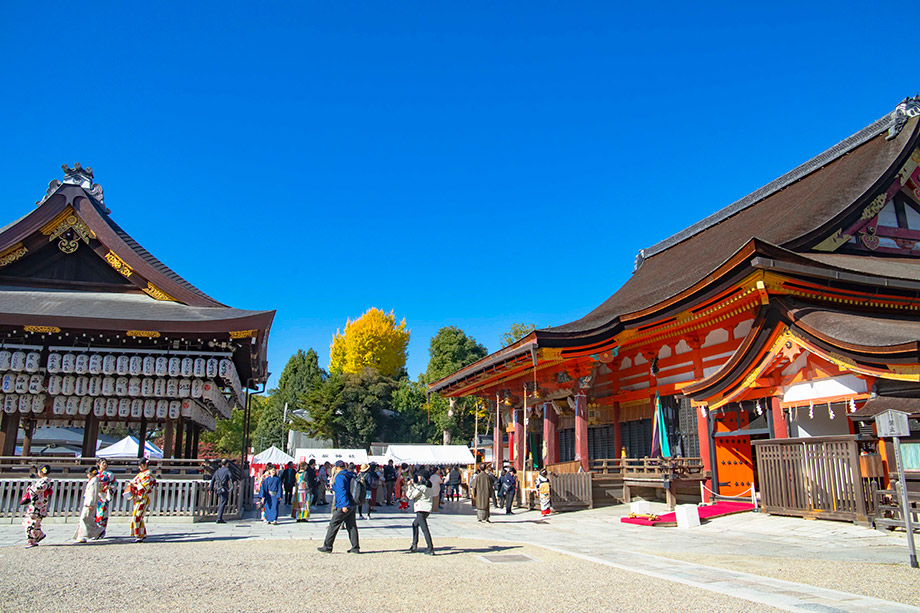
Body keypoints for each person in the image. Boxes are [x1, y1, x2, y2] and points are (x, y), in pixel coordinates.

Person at [317, 460, 360, 554]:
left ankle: (327, 546)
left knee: (333, 524)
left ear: (336, 468)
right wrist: (334, 487)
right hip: (353, 503)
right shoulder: (351, 474)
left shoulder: (340, 476)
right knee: (352, 526)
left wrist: (344, 505)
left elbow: (342, 491)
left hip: (343, 505)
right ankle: (355, 547)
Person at [404, 472, 435, 555]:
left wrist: (409, 486)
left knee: (425, 530)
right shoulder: (428, 487)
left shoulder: (422, 487)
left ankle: (430, 548)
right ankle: (414, 544)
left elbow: (410, 496)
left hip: (421, 509)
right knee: (415, 524)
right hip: (426, 509)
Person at [23, 465, 53, 549]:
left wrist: (30, 489)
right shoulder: (45, 481)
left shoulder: (44, 481)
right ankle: (39, 535)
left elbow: (36, 490)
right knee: (35, 523)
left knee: (30, 523)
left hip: (37, 506)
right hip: (40, 505)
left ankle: (31, 540)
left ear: (40, 472)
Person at [127, 458, 156, 542]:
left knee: (137, 516)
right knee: (137, 515)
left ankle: (139, 535)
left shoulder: (148, 474)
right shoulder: (140, 474)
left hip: (144, 497)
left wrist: (135, 485)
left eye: (141, 465)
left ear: (145, 465)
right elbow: (133, 481)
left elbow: (145, 486)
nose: (140, 467)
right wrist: (132, 485)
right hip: (138, 497)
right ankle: (141, 534)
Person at [74, 467, 103, 542]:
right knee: (88, 519)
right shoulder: (93, 480)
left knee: (84, 518)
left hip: (90, 503)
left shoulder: (94, 481)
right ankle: (98, 531)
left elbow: (93, 493)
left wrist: (90, 504)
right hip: (88, 502)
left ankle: (83, 536)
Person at [95, 458, 116, 538]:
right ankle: (94, 531)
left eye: (105, 463)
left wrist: (109, 487)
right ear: (98, 464)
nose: (104, 464)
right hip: (96, 495)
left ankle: (100, 531)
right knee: (94, 514)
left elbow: (114, 483)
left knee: (102, 513)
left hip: (104, 495)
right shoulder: (95, 473)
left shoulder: (109, 474)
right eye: (103, 463)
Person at [210, 458, 233, 523]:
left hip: (217, 488)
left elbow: (212, 480)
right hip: (223, 488)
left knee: (221, 502)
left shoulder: (217, 471)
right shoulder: (227, 470)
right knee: (222, 503)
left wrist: (210, 489)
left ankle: (219, 517)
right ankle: (219, 518)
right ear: (227, 464)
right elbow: (231, 476)